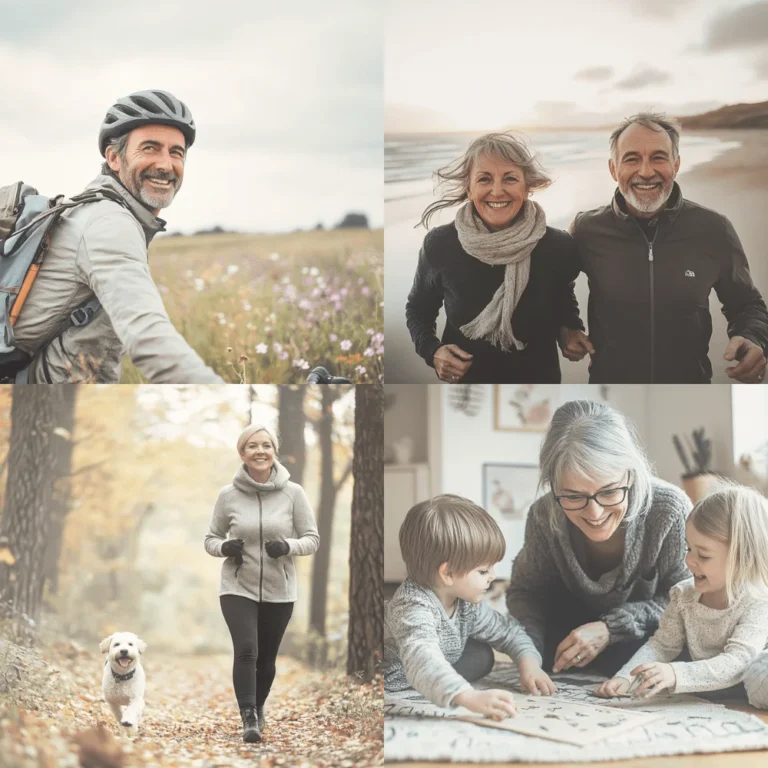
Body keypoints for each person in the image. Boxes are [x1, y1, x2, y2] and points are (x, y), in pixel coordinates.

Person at [12, 89, 222, 383]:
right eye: (150, 148)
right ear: (114, 157)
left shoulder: (97, 210)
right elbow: (149, 336)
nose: (165, 164)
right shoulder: (110, 222)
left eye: (176, 152)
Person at [570, 112, 768, 384]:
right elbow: (555, 285)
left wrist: (752, 336)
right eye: (631, 159)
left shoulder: (713, 229)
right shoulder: (586, 229)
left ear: (675, 165)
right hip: (609, 386)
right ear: (613, 169)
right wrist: (567, 324)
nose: (646, 171)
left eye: (658, 157)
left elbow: (747, 304)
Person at [507, 399, 692, 676]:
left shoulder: (668, 509)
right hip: (570, 632)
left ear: (630, 474)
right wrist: (528, 652)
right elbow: (526, 592)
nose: (594, 513)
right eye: (573, 496)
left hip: (646, 631)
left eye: (608, 492)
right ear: (552, 484)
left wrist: (612, 628)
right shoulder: (544, 514)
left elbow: (690, 599)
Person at [405, 132, 592, 384]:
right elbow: (418, 308)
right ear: (468, 188)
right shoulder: (441, 244)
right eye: (484, 179)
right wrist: (432, 351)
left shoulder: (557, 246)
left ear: (527, 187)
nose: (497, 190)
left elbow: (561, 294)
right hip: (467, 388)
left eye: (510, 178)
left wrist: (570, 327)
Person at [383, 494, 556, 720]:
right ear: (447, 573)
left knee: (481, 655)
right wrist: (468, 697)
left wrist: (529, 663)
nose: (492, 576)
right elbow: (421, 657)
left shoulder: (467, 602)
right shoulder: (412, 607)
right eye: (483, 571)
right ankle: (437, 685)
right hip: (396, 671)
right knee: (432, 664)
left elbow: (508, 631)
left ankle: (439, 682)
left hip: (439, 657)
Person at [596, 483, 768, 705]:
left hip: (751, 693)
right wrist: (627, 678)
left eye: (703, 556)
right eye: (689, 549)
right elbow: (662, 645)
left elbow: (739, 662)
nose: (689, 560)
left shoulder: (757, 601)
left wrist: (675, 674)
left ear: (743, 559)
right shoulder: (683, 594)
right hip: (703, 694)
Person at [204, 424, 320, 743]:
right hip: (236, 586)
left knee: (267, 658)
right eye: (252, 446)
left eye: (266, 445)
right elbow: (210, 538)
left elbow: (312, 539)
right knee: (246, 650)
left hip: (279, 589)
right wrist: (224, 548)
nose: (260, 451)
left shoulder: (293, 493)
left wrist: (288, 546)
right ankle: (248, 717)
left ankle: (258, 706)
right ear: (242, 453)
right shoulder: (227, 495)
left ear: (274, 452)